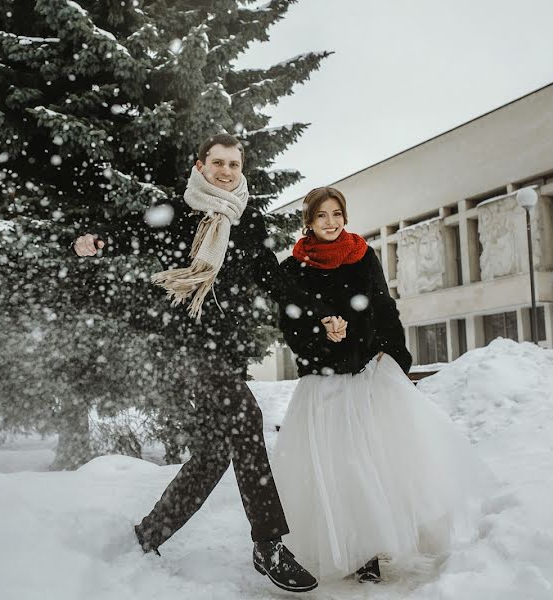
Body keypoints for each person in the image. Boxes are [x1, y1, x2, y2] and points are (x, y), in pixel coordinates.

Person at [74, 134, 341, 593]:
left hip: (221, 353)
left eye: (234, 164)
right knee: (246, 416)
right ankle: (268, 544)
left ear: (242, 170)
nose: (225, 171)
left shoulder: (246, 223)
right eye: (217, 162)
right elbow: (127, 234)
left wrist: (321, 312)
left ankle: (148, 534)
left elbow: (275, 282)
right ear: (200, 166)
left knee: (217, 451)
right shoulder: (176, 215)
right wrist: (92, 242)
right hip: (180, 347)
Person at [272, 186, 492, 583]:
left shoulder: (362, 255)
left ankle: (377, 543)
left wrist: (393, 354)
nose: (331, 222)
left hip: (367, 374)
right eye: (321, 215)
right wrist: (322, 336)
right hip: (324, 384)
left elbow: (383, 305)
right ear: (309, 221)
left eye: (337, 213)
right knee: (338, 468)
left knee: (377, 461)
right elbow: (290, 323)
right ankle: (357, 551)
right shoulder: (292, 269)